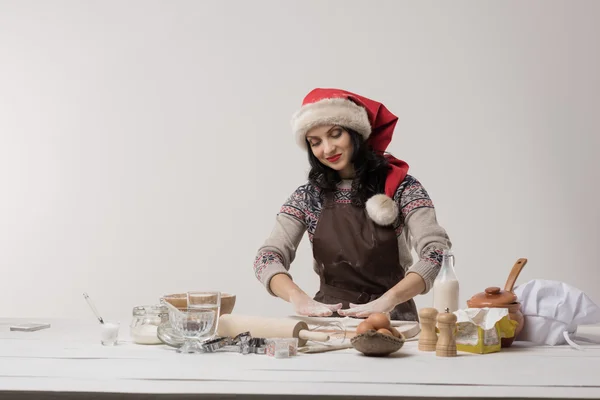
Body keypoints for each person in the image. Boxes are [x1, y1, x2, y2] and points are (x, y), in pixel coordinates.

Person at [253, 88, 452, 321]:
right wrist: (297, 297)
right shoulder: (308, 197)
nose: (327, 149)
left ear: (355, 132)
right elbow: (266, 257)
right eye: (315, 142)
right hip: (329, 322)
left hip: (392, 321)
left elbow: (437, 252)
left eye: (335, 134)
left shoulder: (402, 187)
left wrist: (389, 300)